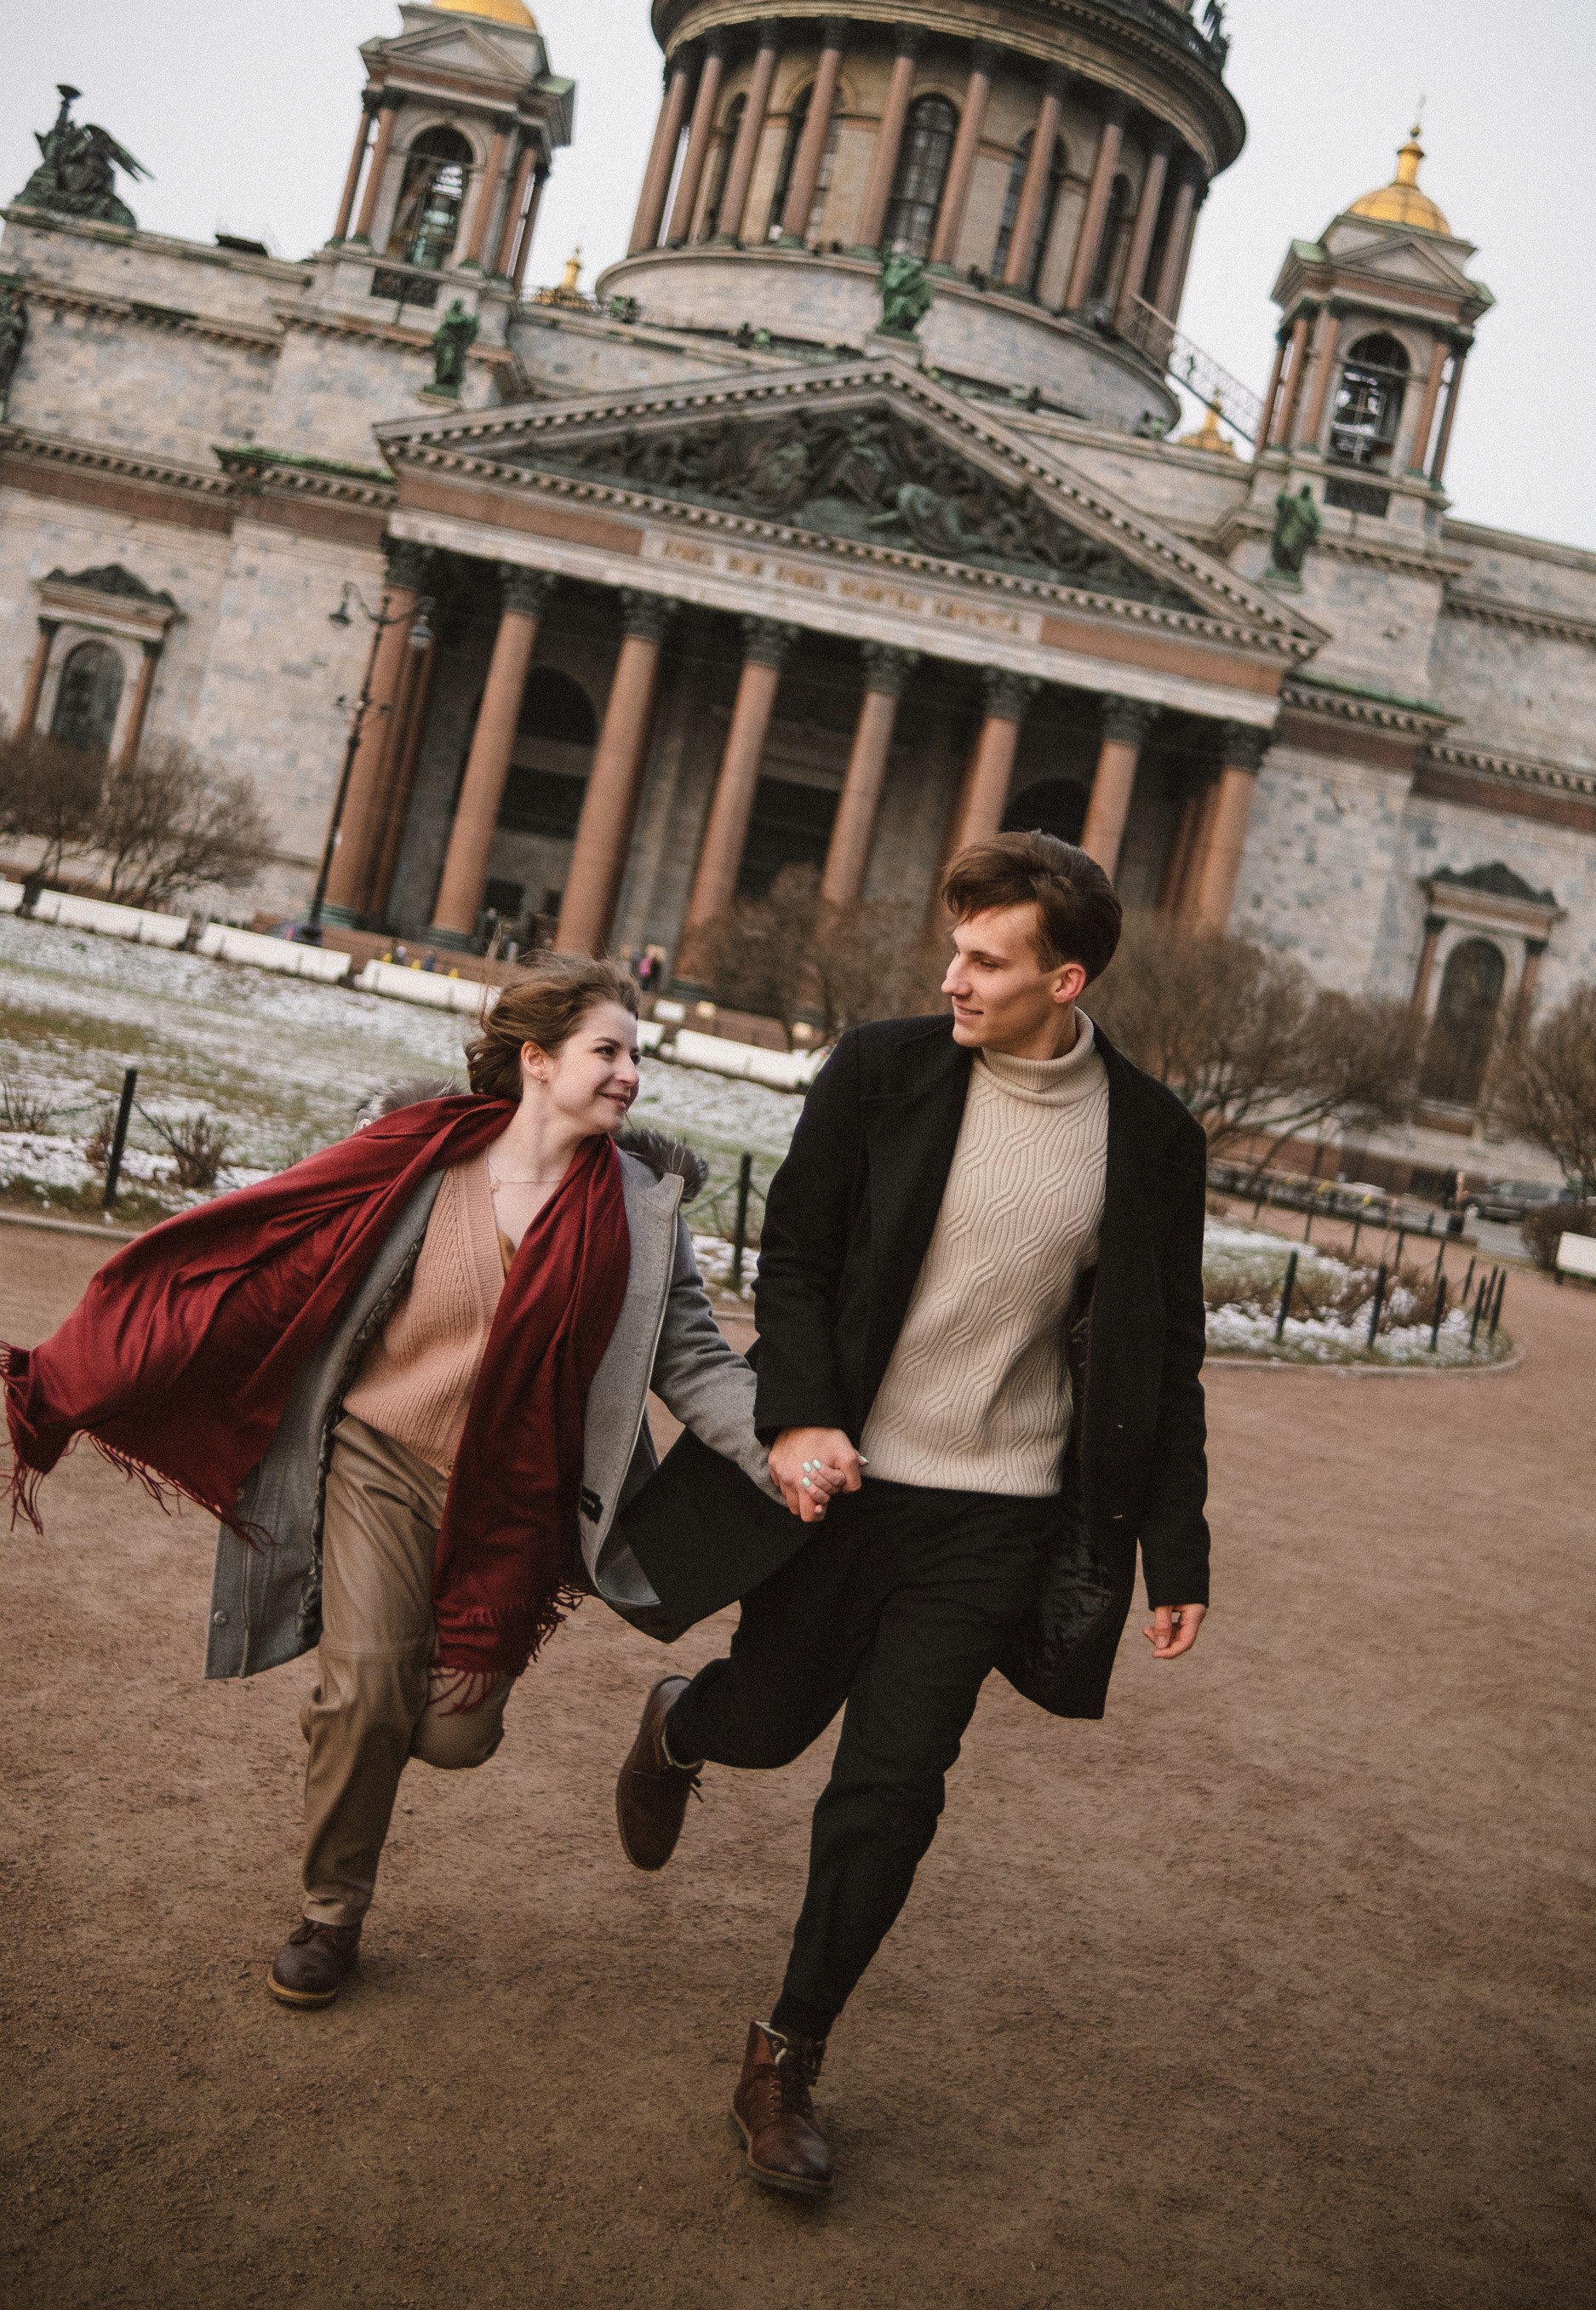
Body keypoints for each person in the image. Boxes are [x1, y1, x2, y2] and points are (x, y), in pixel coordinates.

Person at [613, 830, 1210, 2198]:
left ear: (1065, 979)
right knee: (766, 1730)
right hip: (849, 1484)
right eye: (953, 948)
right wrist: (801, 1416)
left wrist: (1176, 1546)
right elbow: (802, 1258)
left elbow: (1158, 1354)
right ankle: (681, 1722)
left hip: (998, 1516)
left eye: (986, 960)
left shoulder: (1153, 1135)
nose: (953, 976)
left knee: (892, 1787)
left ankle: (786, 2057)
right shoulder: (884, 1069)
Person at [4, 953, 774, 2007]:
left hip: (517, 1504)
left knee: (456, 1736)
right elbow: (263, 1253)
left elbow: (692, 1360)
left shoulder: (644, 1214)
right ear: (538, 1061)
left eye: (637, 1055)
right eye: (609, 1051)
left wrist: (779, 1454)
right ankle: (331, 1914)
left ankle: (352, 1717)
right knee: (368, 1690)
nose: (630, 1074)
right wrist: (83, 1368)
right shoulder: (424, 1162)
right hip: (381, 1461)